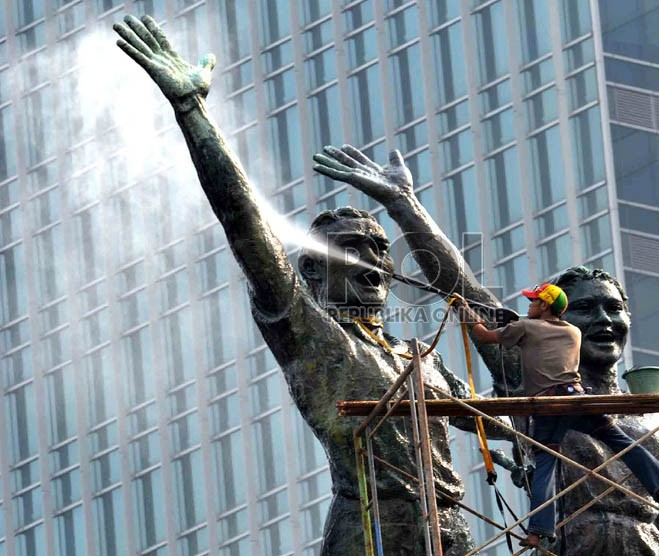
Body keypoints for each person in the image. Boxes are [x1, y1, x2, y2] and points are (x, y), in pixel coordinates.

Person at [112, 15, 511, 555]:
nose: (375, 263)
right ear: (315, 272)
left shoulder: (420, 355)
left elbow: (500, 389)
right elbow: (244, 222)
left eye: (380, 250)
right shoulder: (312, 336)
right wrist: (192, 111)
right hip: (369, 528)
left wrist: (404, 206)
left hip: (449, 531)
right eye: (352, 250)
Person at [316, 145, 659, 555]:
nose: (604, 319)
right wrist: (403, 203)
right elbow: (463, 289)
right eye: (583, 308)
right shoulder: (530, 379)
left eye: (614, 308)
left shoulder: (650, 411)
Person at [458, 283, 659, 548]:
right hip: (578, 398)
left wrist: (463, 310)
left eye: (534, 302)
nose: (530, 306)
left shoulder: (525, 328)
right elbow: (541, 333)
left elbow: (484, 336)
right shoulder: (572, 332)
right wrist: (516, 321)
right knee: (622, 442)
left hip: (550, 406)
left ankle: (538, 531)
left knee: (546, 463)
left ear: (544, 305)